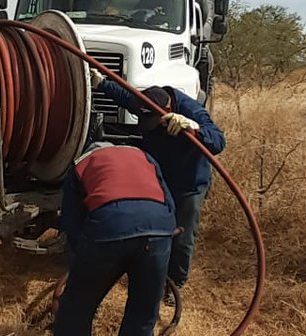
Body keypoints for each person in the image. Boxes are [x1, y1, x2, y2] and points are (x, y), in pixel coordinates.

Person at [32, 142, 176, 336]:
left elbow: (71, 222)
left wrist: (83, 261)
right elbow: (169, 201)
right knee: (145, 301)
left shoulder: (81, 164)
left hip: (109, 227)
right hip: (159, 228)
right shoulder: (144, 156)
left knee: (78, 301)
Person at [90, 73, 225, 293]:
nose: (148, 126)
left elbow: (218, 141)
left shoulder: (190, 110)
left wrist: (193, 128)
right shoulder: (146, 103)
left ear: (169, 110)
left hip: (189, 184)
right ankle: (153, 275)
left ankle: (175, 285)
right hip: (161, 178)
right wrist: (101, 82)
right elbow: (125, 96)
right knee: (156, 230)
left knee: (182, 237)